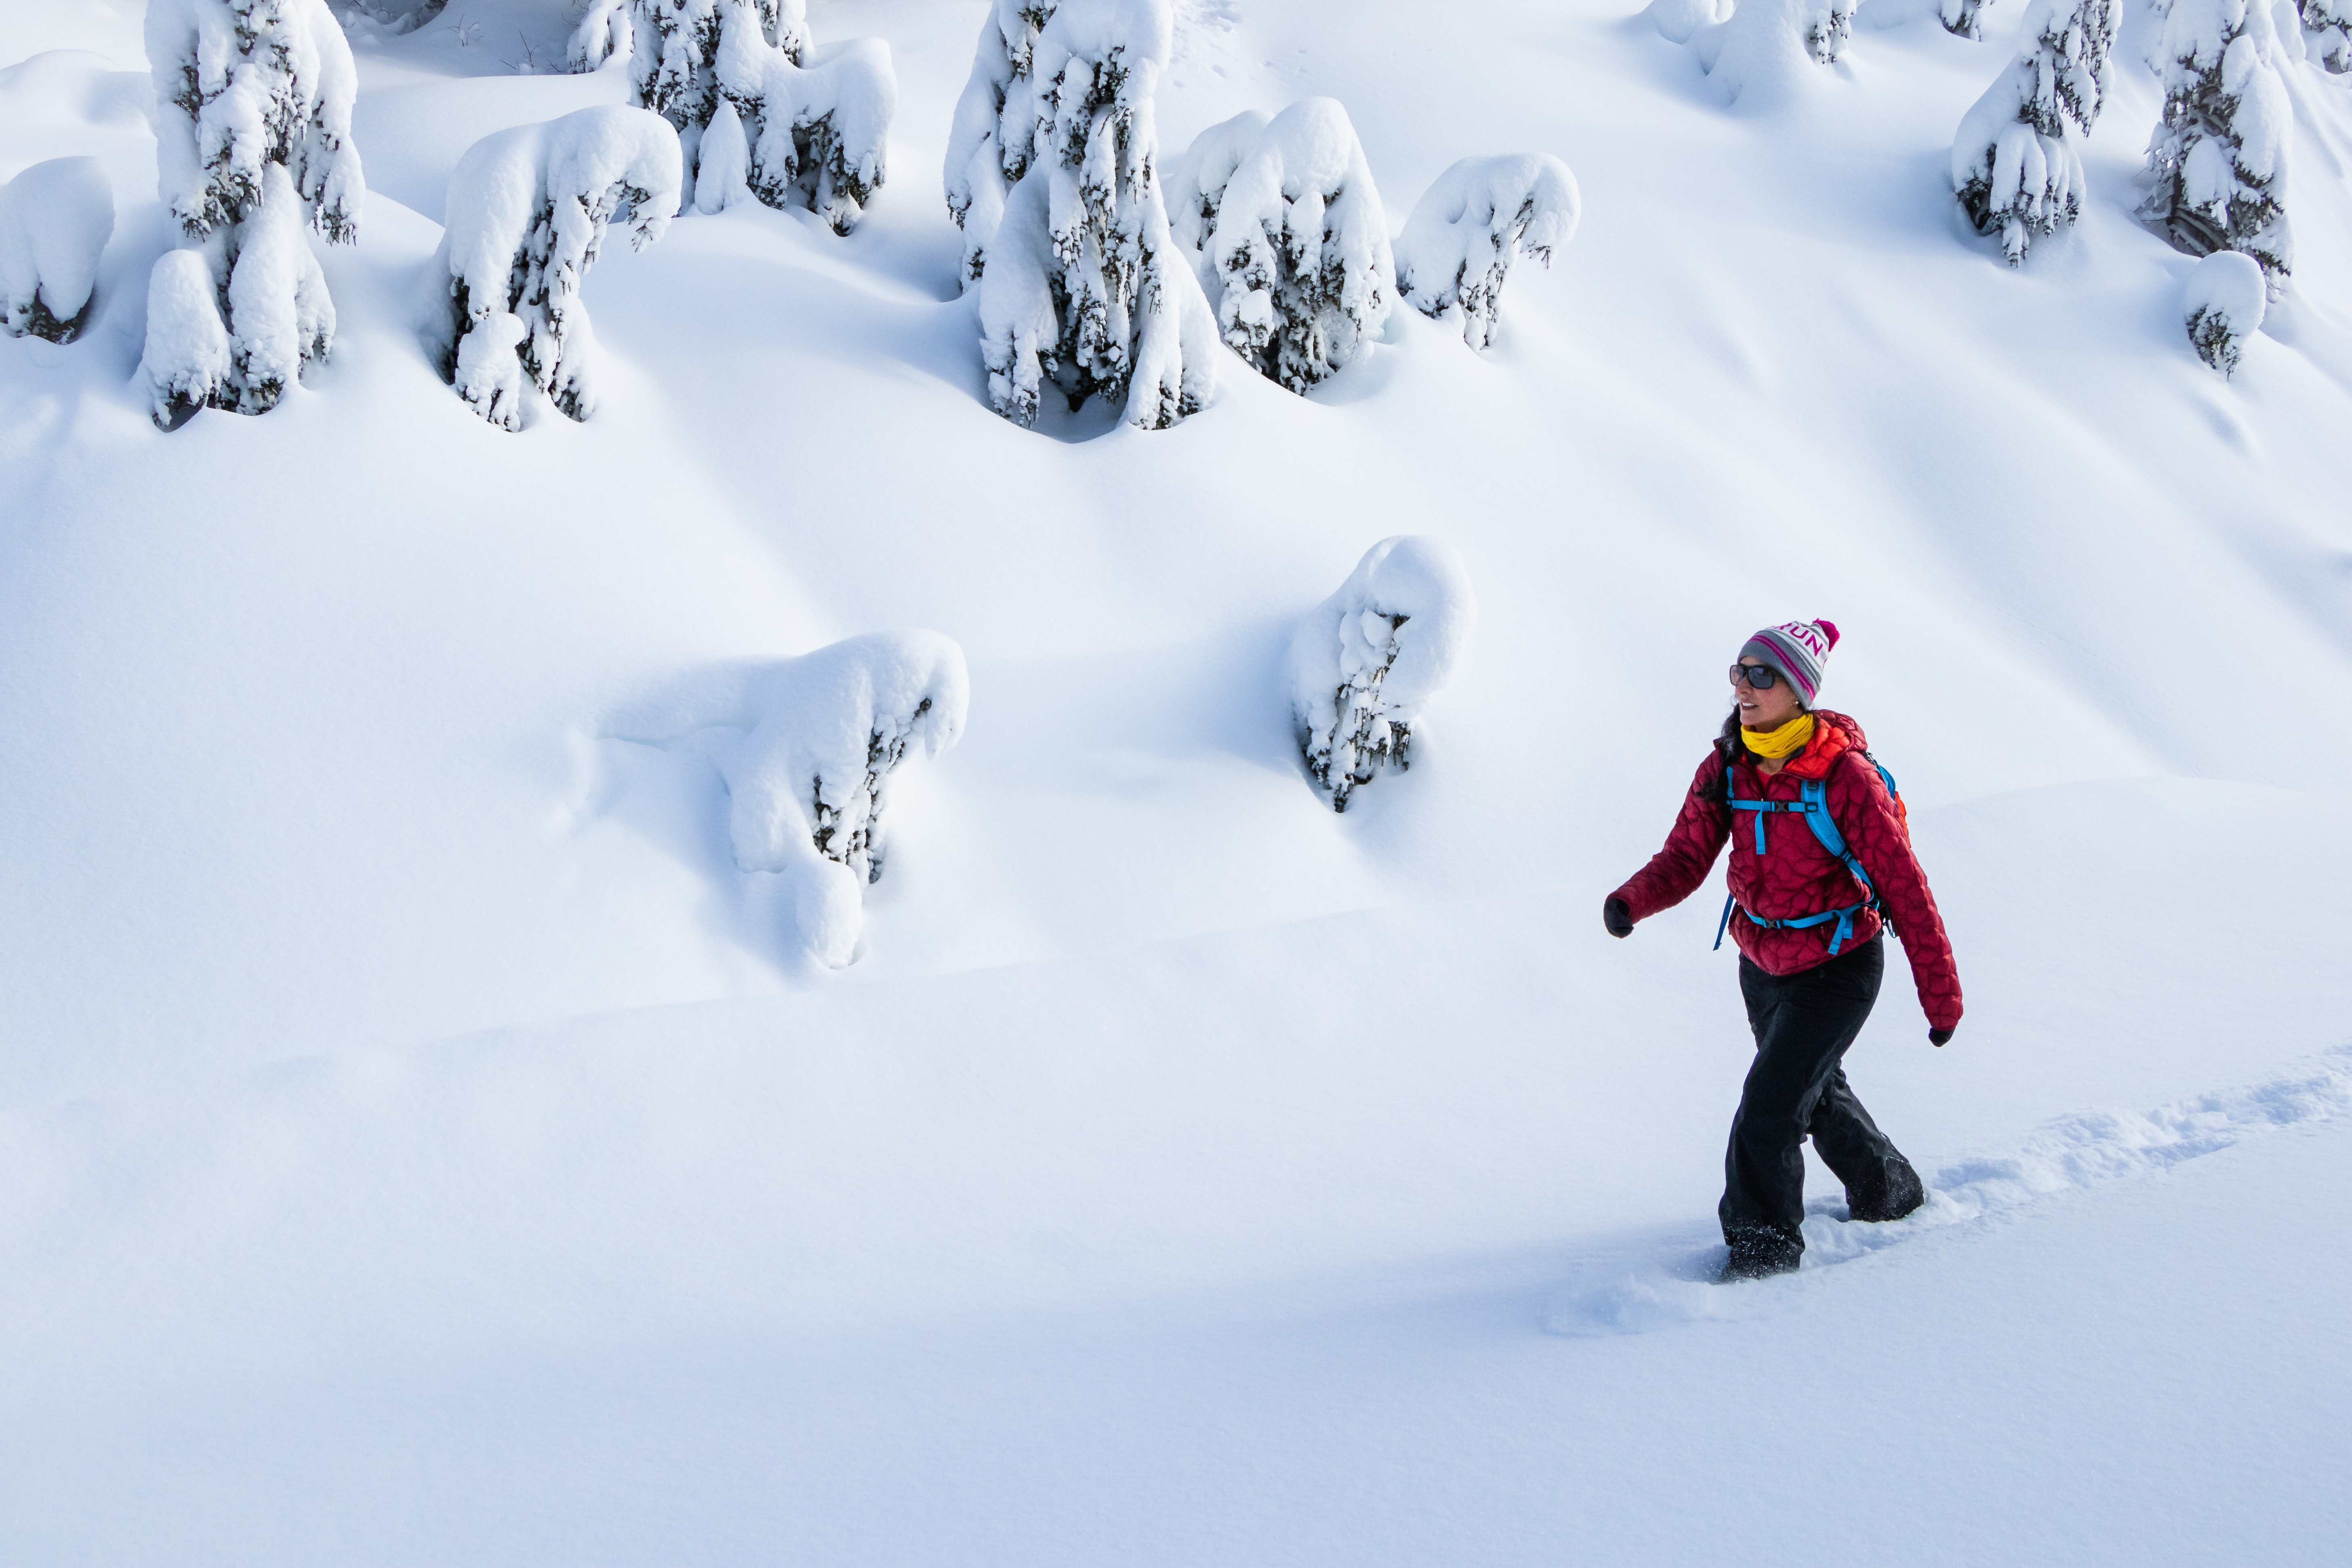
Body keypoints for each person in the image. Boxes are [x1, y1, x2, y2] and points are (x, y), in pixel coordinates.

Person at [1603, 619, 1962, 1280]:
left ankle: (1763, 1250)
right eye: (1738, 670)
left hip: (1838, 966)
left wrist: (1941, 999)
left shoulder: (1844, 777)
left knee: (1768, 1109)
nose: (1742, 684)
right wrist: (1631, 901)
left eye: (1760, 674)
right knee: (1814, 1092)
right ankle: (1891, 1190)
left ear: (1798, 691)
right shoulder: (1728, 763)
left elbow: (1905, 888)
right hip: (1761, 965)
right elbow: (1686, 855)